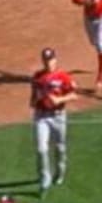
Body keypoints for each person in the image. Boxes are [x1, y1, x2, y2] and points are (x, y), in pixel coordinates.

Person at [29, 47, 77, 193]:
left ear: (55, 60)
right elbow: (31, 101)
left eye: (50, 60)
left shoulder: (63, 76)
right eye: (45, 60)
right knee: (41, 148)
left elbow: (74, 95)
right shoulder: (37, 77)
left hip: (58, 116)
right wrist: (38, 98)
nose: (48, 63)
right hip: (42, 115)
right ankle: (45, 178)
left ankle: (60, 171)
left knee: (60, 147)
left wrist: (59, 99)